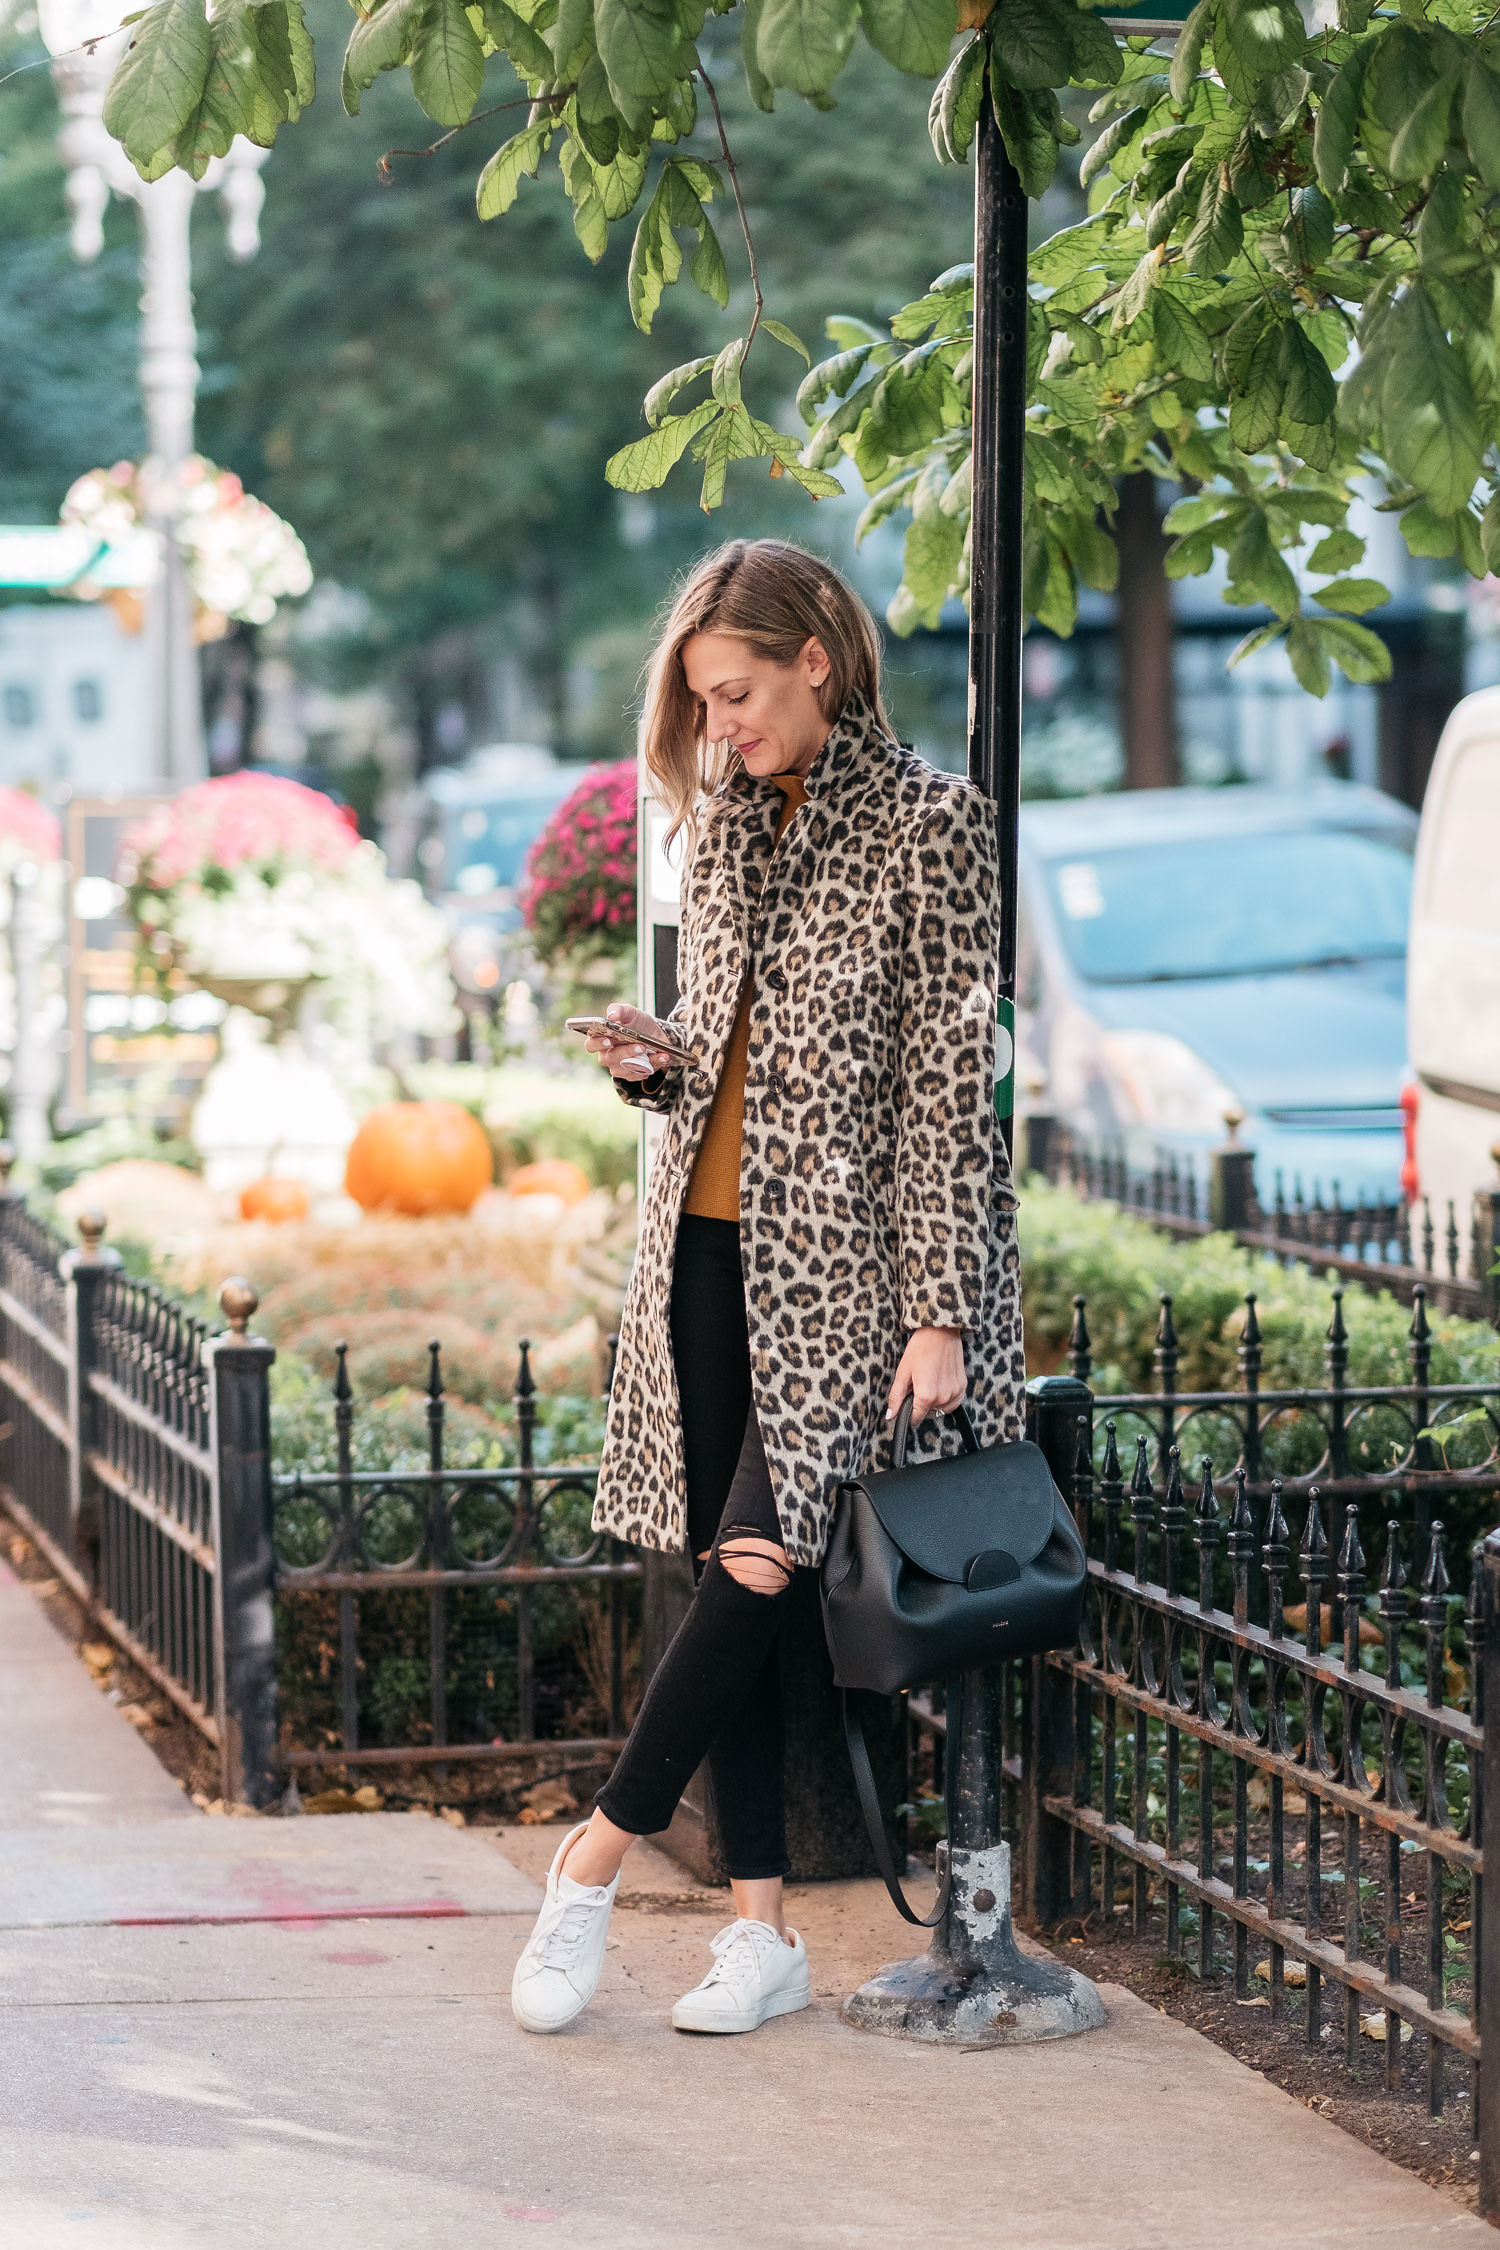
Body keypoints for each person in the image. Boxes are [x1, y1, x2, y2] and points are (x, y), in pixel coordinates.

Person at [511, 538, 1024, 2038]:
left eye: (736, 693)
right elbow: (734, 1047)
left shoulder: (937, 827)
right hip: (708, 1241)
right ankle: (761, 1934)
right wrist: (660, 1066)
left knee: (753, 1560)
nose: (721, 726)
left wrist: (938, 1304)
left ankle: (592, 1860)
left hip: (856, 1273)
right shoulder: (724, 825)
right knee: (731, 1566)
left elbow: (945, 1092)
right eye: (702, 703)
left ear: (817, 654)